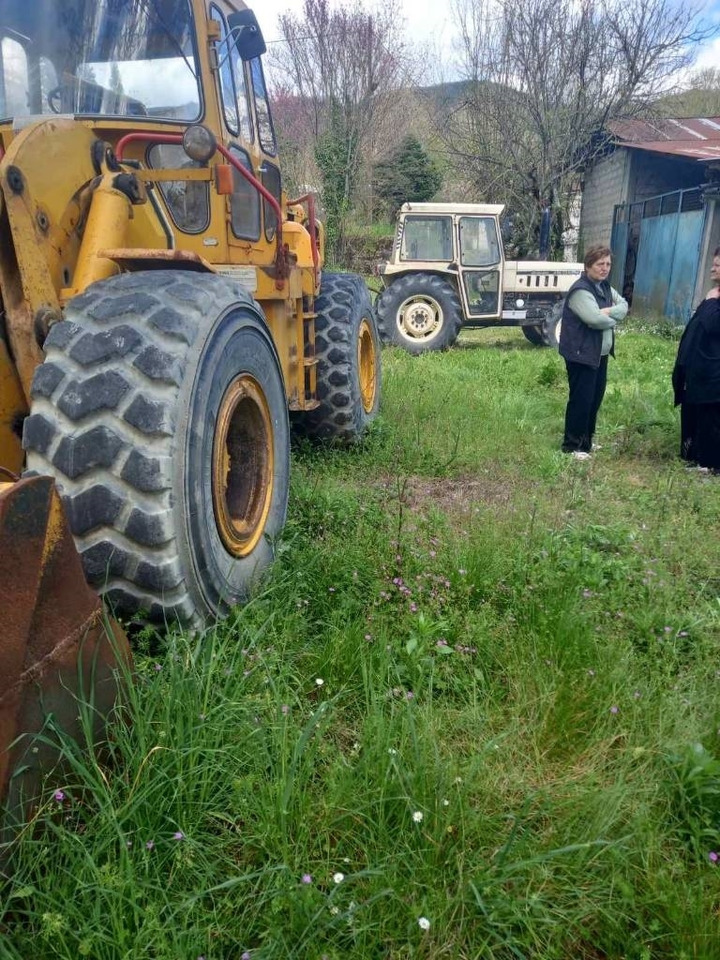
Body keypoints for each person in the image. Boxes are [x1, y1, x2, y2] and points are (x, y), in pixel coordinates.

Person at [559, 245, 628, 460]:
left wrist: (609, 312)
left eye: (608, 264)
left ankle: (586, 442)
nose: (605, 268)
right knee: (581, 399)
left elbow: (624, 305)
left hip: (599, 355)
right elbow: (594, 320)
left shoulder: (604, 287)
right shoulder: (581, 290)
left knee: (594, 399)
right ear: (588, 265)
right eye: (600, 264)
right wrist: (610, 317)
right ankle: (572, 446)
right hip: (582, 354)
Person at [671, 247, 720, 470]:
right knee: (693, 415)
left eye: (718, 265)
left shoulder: (714, 298)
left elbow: (713, 325)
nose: (712, 267)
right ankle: (691, 456)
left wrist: (709, 302)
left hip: (713, 374)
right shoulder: (715, 294)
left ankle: (709, 464)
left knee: (710, 420)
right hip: (696, 370)